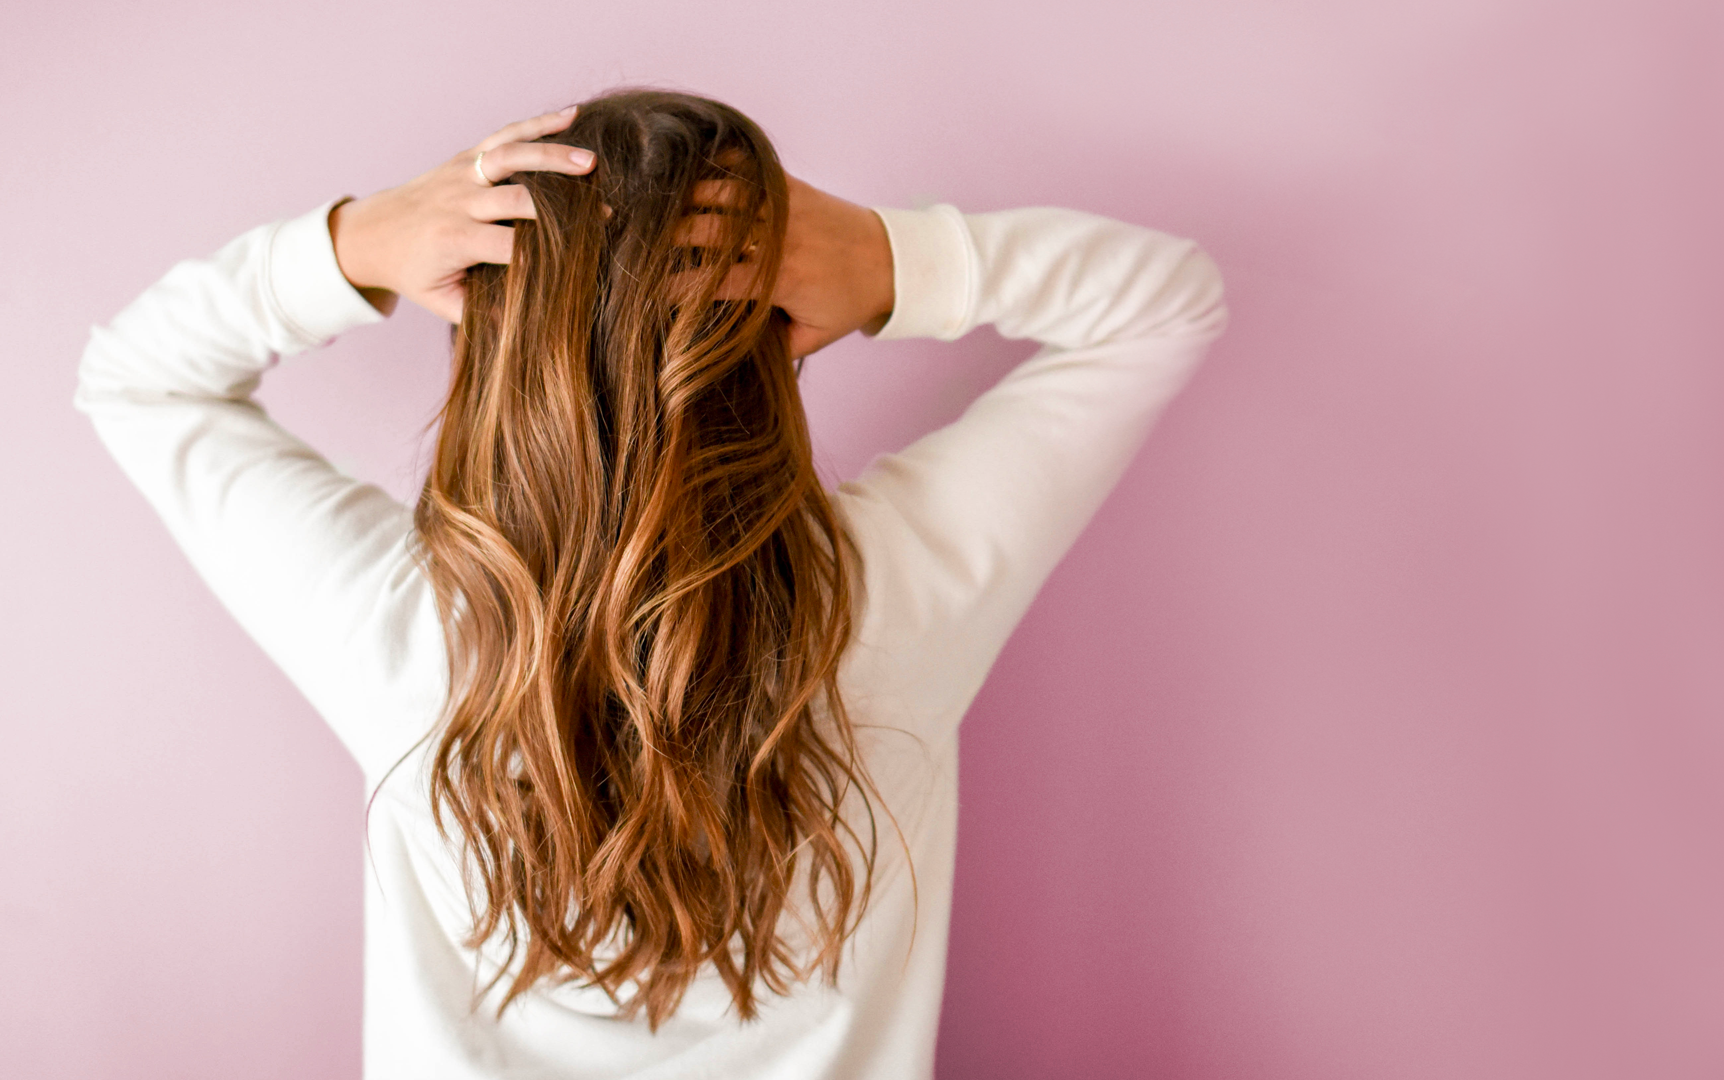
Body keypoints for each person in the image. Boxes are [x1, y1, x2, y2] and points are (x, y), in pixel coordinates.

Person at [76, 88, 1227, 1079]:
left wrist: (358, 245)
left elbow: (137, 378)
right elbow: (1168, 300)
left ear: (493, 342)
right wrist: (889, 259)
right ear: (776, 326)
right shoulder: (887, 597)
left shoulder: (406, 630)